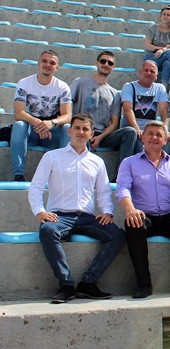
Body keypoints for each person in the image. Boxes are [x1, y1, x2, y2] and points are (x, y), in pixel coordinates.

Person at [29, 113, 126, 303]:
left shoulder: (97, 162)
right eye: (77, 128)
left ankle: (88, 283)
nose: (81, 132)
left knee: (118, 235)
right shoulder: (52, 157)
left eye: (85, 129)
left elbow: (104, 192)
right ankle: (66, 285)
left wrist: (107, 211)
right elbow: (36, 186)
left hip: (88, 218)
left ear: (91, 134)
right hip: (59, 217)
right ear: (69, 131)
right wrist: (40, 211)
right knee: (47, 230)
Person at [116, 121, 170, 298]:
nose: (154, 137)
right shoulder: (129, 162)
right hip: (144, 216)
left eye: (159, 135)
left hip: (169, 217)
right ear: (142, 137)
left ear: (166, 139)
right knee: (133, 224)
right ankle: (143, 284)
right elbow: (122, 188)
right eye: (150, 133)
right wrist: (130, 209)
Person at [70, 51, 137, 174]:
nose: (106, 64)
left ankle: (121, 175)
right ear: (97, 63)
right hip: (82, 130)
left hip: (103, 134)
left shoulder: (115, 94)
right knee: (85, 134)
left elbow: (114, 124)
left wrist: (100, 137)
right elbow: (67, 106)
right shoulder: (80, 82)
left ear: (113, 67)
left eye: (110, 63)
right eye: (103, 61)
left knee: (130, 132)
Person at [11, 50, 72, 181]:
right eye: (44, 61)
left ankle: (62, 175)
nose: (47, 65)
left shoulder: (63, 87)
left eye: (52, 63)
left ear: (57, 67)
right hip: (31, 130)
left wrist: (51, 123)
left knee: (68, 128)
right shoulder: (24, 83)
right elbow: (18, 113)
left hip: (52, 132)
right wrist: (39, 124)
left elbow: (67, 116)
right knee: (19, 125)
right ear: (38, 63)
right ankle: (18, 174)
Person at [121, 60, 170, 153]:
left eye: (152, 71)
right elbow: (128, 110)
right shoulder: (129, 86)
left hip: (150, 131)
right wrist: (137, 129)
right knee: (142, 142)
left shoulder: (160, 88)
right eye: (146, 70)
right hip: (134, 130)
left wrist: (165, 130)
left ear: (156, 76)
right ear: (140, 72)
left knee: (168, 140)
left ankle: (163, 162)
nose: (148, 73)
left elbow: (164, 111)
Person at [144, 5, 170, 85]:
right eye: (164, 14)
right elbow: (147, 45)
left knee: (168, 63)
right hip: (151, 57)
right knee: (169, 52)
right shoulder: (153, 28)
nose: (165, 16)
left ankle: (164, 87)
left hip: (165, 59)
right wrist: (161, 49)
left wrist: (162, 50)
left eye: (168, 15)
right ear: (160, 16)